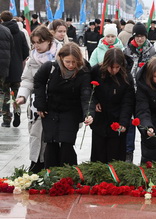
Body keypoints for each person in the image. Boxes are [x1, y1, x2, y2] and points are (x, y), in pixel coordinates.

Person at [33, 42, 94, 168]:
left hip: (71, 111)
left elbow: (86, 95)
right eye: (67, 62)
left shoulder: (84, 72)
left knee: (67, 143)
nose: (71, 65)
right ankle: (50, 175)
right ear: (61, 58)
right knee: (51, 142)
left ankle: (69, 175)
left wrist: (88, 113)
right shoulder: (50, 68)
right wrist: (40, 104)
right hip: (51, 111)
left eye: (74, 62)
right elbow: (38, 82)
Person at [15, 26, 62, 172]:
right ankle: (36, 162)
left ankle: (52, 163)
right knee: (35, 133)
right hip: (37, 103)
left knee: (53, 135)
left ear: (49, 41)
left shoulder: (61, 54)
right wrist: (22, 95)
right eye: (34, 42)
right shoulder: (33, 58)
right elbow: (27, 80)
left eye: (40, 42)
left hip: (56, 103)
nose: (37, 46)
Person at [90, 48, 135, 163]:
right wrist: (94, 103)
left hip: (117, 119)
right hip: (100, 120)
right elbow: (88, 90)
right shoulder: (96, 71)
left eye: (117, 67)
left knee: (115, 157)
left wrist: (124, 122)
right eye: (111, 67)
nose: (114, 70)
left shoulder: (126, 77)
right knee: (98, 156)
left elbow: (128, 101)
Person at [124, 22, 156, 163]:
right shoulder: (126, 51)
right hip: (130, 93)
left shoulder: (152, 51)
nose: (140, 39)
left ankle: (146, 157)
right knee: (130, 126)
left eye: (142, 36)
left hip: (145, 94)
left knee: (145, 125)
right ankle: (128, 155)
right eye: (137, 36)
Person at [0, 11, 29, 127]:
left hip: (4, 68)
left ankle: (6, 119)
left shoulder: (2, 31)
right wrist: (19, 61)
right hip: (17, 68)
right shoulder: (21, 33)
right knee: (16, 93)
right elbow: (26, 51)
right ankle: (17, 112)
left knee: (6, 93)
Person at [0, 24, 12, 122]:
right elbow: (12, 47)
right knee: (4, 91)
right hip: (4, 65)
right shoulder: (6, 30)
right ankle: (6, 116)